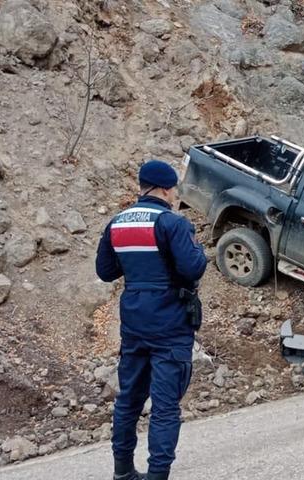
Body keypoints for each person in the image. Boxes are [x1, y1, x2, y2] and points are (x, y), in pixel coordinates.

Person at [96, 160, 207, 480]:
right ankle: (157, 474)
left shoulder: (116, 223)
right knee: (165, 405)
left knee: (128, 399)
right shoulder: (172, 223)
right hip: (170, 323)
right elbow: (192, 268)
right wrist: (198, 251)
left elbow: (105, 272)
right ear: (163, 189)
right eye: (173, 189)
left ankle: (123, 472)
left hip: (133, 322)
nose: (174, 194)